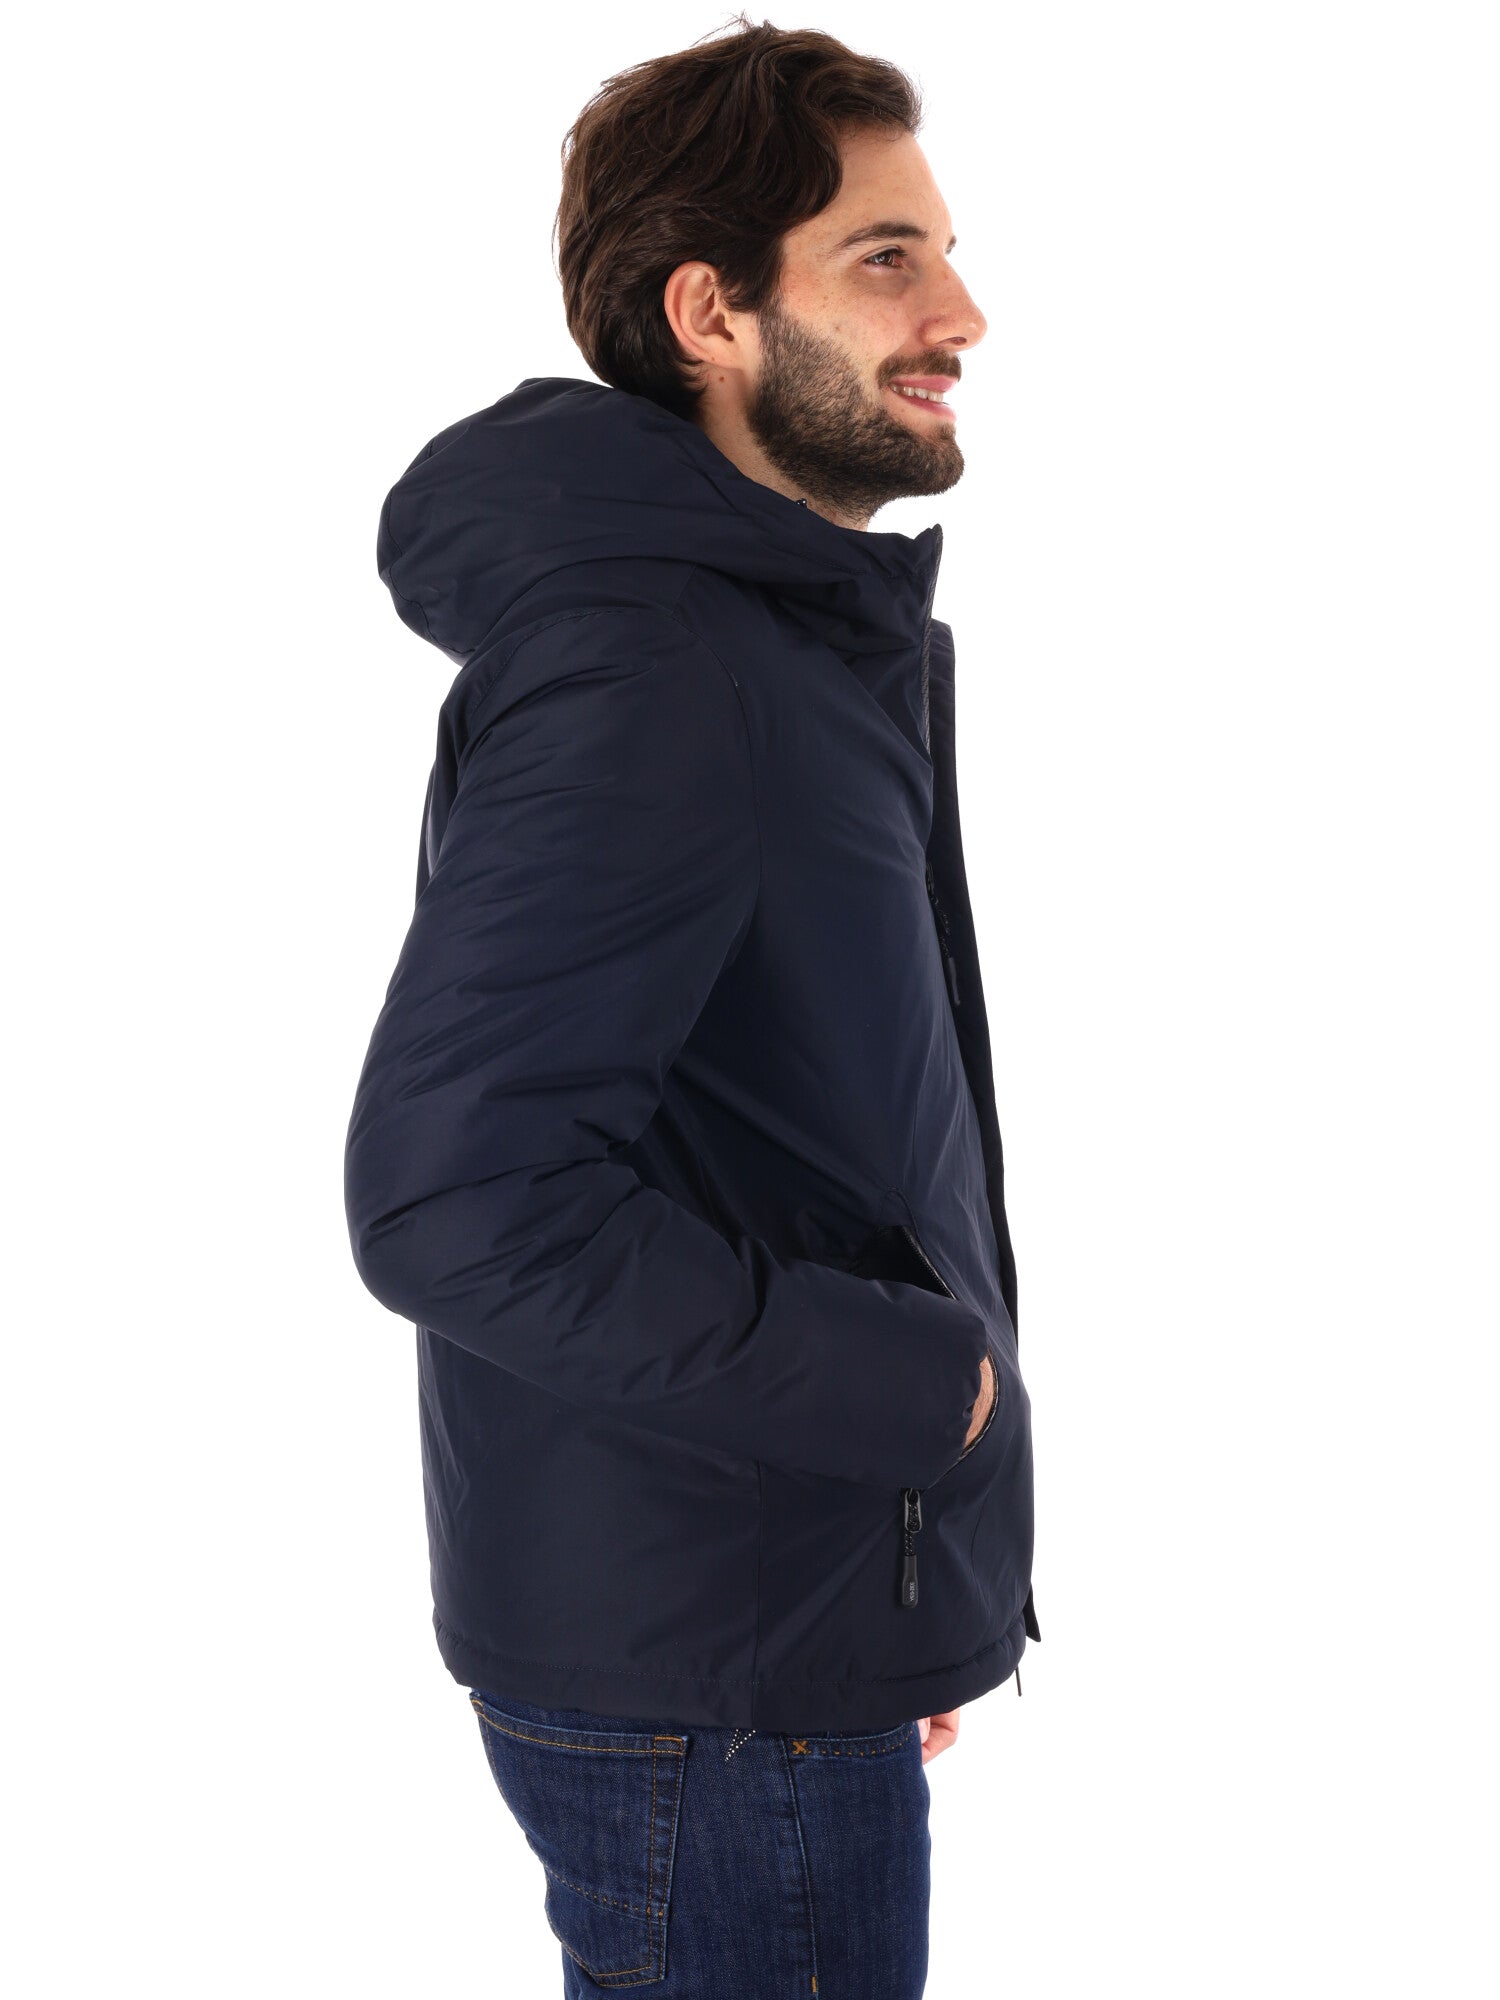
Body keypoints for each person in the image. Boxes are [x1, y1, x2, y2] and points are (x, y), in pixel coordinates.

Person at [344, 18, 1038, 1996]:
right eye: (887, 258)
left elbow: (796, 1119)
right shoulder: (662, 667)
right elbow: (457, 1197)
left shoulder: (766, 633)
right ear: (709, 313)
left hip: (757, 1630)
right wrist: (912, 1403)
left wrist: (891, 1560)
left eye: (946, 251)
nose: (963, 313)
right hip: (718, 1681)